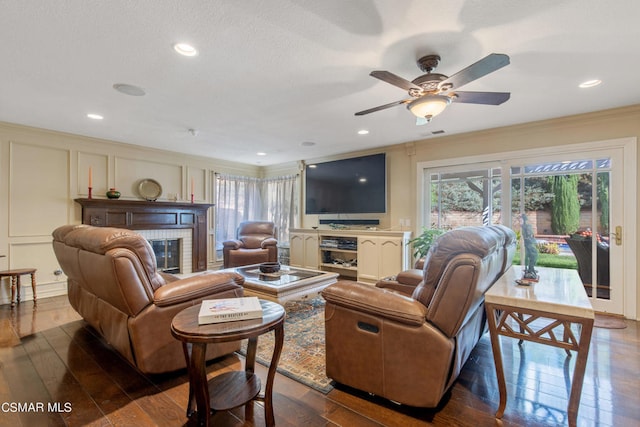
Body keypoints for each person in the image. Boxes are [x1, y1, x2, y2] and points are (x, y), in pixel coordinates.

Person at [521, 214, 539, 280]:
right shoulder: (525, 226)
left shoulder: (527, 226)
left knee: (533, 256)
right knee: (533, 255)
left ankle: (531, 269)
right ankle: (530, 270)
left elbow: (531, 234)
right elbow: (527, 235)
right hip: (528, 243)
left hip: (530, 242)